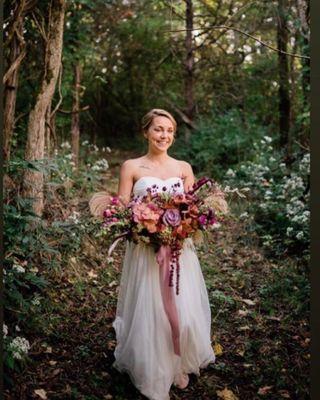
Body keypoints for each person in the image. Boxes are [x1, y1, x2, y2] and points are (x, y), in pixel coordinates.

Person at [112, 109, 215, 400]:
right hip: (147, 252)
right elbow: (120, 211)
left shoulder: (183, 167)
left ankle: (179, 361)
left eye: (169, 130)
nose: (164, 136)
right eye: (158, 129)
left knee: (183, 309)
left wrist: (185, 226)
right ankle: (155, 367)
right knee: (152, 310)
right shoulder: (131, 167)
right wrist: (143, 226)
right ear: (146, 132)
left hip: (180, 252)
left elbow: (194, 208)